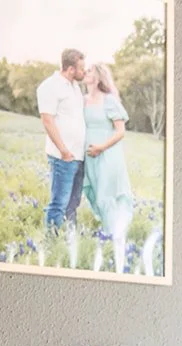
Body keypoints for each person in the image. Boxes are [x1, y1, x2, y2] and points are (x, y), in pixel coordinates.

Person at [81, 63, 134, 270]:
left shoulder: (109, 100)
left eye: (89, 71)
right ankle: (110, 234)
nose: (85, 73)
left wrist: (101, 147)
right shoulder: (83, 100)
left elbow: (120, 131)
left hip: (108, 155)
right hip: (90, 156)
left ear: (99, 77)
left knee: (107, 195)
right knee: (97, 194)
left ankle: (116, 241)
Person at [37, 49, 88, 233]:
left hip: (79, 155)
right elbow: (47, 120)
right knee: (59, 202)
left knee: (73, 203)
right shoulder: (50, 86)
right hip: (63, 156)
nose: (85, 71)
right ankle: (51, 242)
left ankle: (69, 241)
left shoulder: (75, 87)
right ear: (71, 69)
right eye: (82, 68)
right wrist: (64, 150)